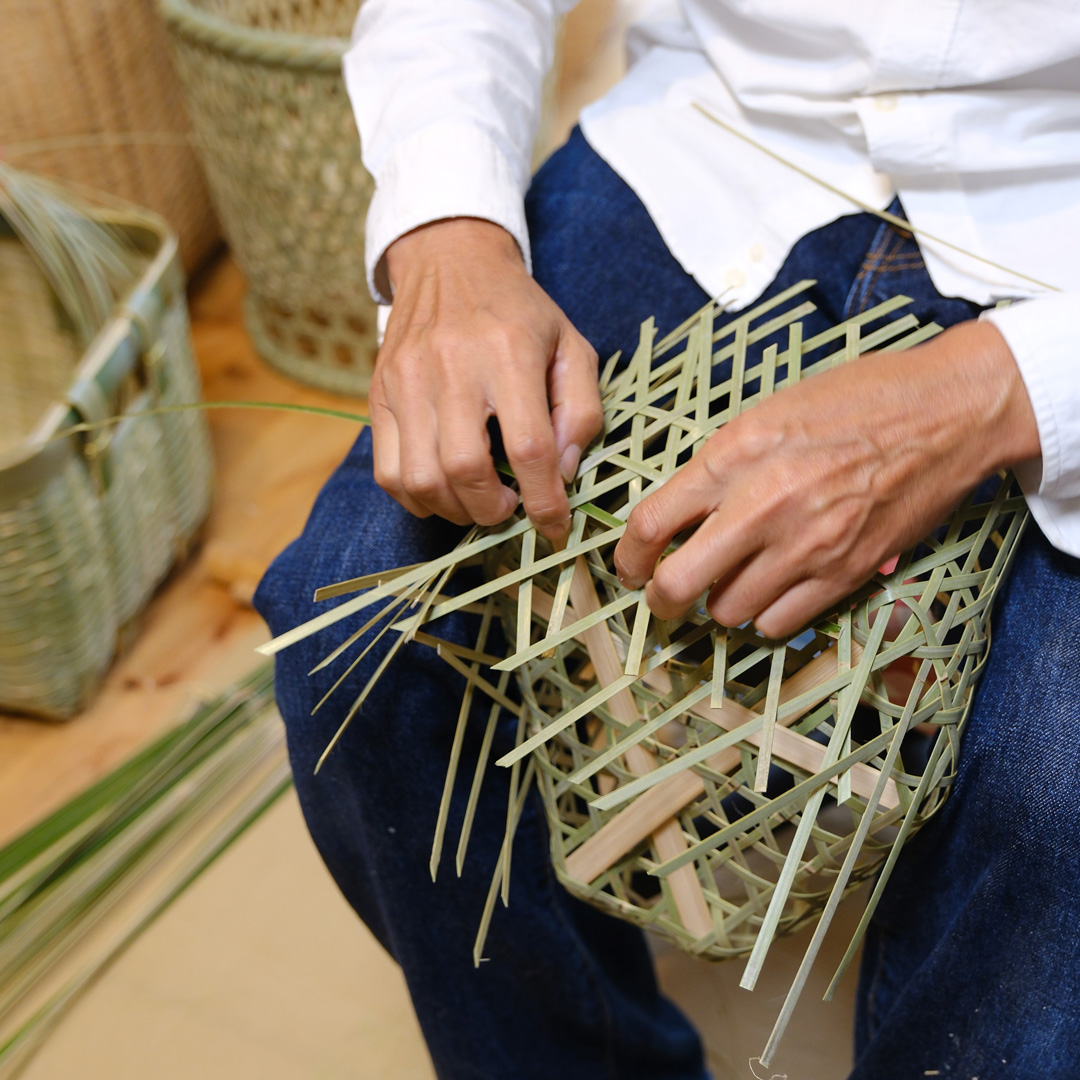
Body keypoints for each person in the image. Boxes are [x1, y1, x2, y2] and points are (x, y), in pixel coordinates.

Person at [253, 3, 1080, 1077]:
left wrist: (998, 390)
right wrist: (447, 233)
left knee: (1051, 804)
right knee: (359, 624)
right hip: (722, 142)